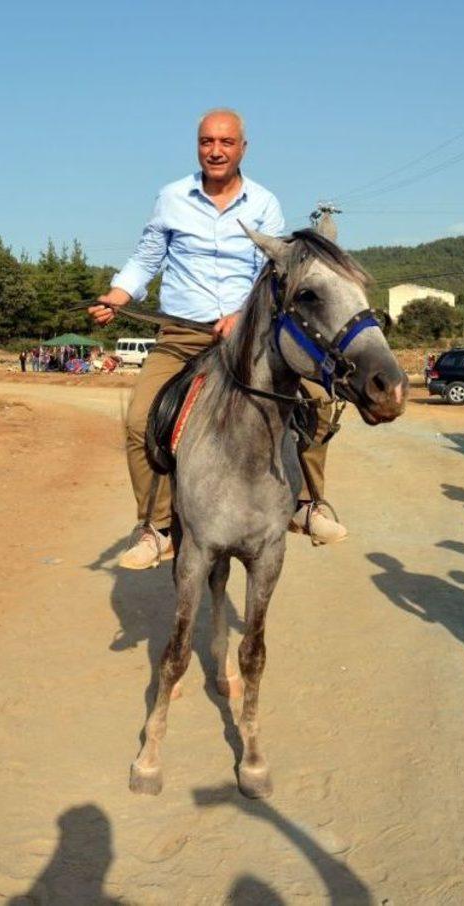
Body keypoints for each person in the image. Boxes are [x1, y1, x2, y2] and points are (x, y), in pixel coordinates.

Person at [90, 108, 346, 570]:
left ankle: (308, 505)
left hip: (247, 338)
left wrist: (240, 314)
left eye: (226, 142)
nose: (216, 150)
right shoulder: (171, 198)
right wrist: (117, 294)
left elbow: (272, 271)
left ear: (243, 148)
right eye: (207, 141)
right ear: (197, 146)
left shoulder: (264, 203)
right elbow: (146, 258)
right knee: (138, 422)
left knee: (317, 406)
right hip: (182, 335)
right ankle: (158, 527)